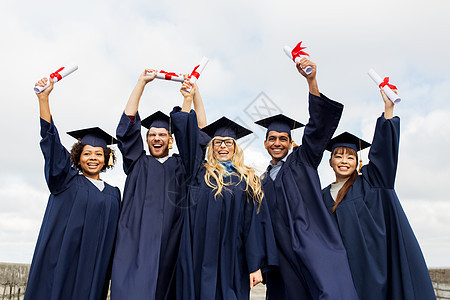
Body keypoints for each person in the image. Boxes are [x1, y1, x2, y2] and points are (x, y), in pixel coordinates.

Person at [255, 58, 358, 300]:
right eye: (272, 139)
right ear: (265, 143)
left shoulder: (303, 160)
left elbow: (317, 126)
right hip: (280, 256)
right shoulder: (261, 181)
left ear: (291, 143)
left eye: (283, 138)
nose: (277, 143)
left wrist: (311, 81)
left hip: (310, 245)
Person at [322, 88, 436, 299]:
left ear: (358, 162)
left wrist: (388, 109)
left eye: (350, 157)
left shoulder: (371, 183)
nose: (344, 161)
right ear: (330, 162)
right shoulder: (322, 196)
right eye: (338, 156)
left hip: (372, 271)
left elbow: (384, 154)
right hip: (338, 272)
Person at [172, 81, 278, 300]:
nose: (222, 146)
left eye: (228, 143)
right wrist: (189, 97)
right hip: (197, 253)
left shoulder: (247, 180)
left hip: (232, 258)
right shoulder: (198, 172)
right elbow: (188, 135)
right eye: (217, 142)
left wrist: (254, 265)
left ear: (235, 148)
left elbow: (253, 227)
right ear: (211, 147)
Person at [110, 69, 207, 300]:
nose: (156, 138)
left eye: (162, 135)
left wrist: (192, 96)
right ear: (146, 139)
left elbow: (200, 136)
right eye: (152, 135)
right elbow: (126, 129)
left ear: (171, 140)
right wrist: (141, 83)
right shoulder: (136, 163)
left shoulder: (183, 166)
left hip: (172, 247)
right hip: (134, 246)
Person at [25, 77, 121, 300]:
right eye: (87, 153)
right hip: (61, 265)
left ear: (107, 159)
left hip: (94, 272)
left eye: (98, 154)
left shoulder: (113, 194)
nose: (93, 158)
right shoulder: (65, 180)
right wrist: (43, 99)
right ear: (77, 157)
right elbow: (51, 143)